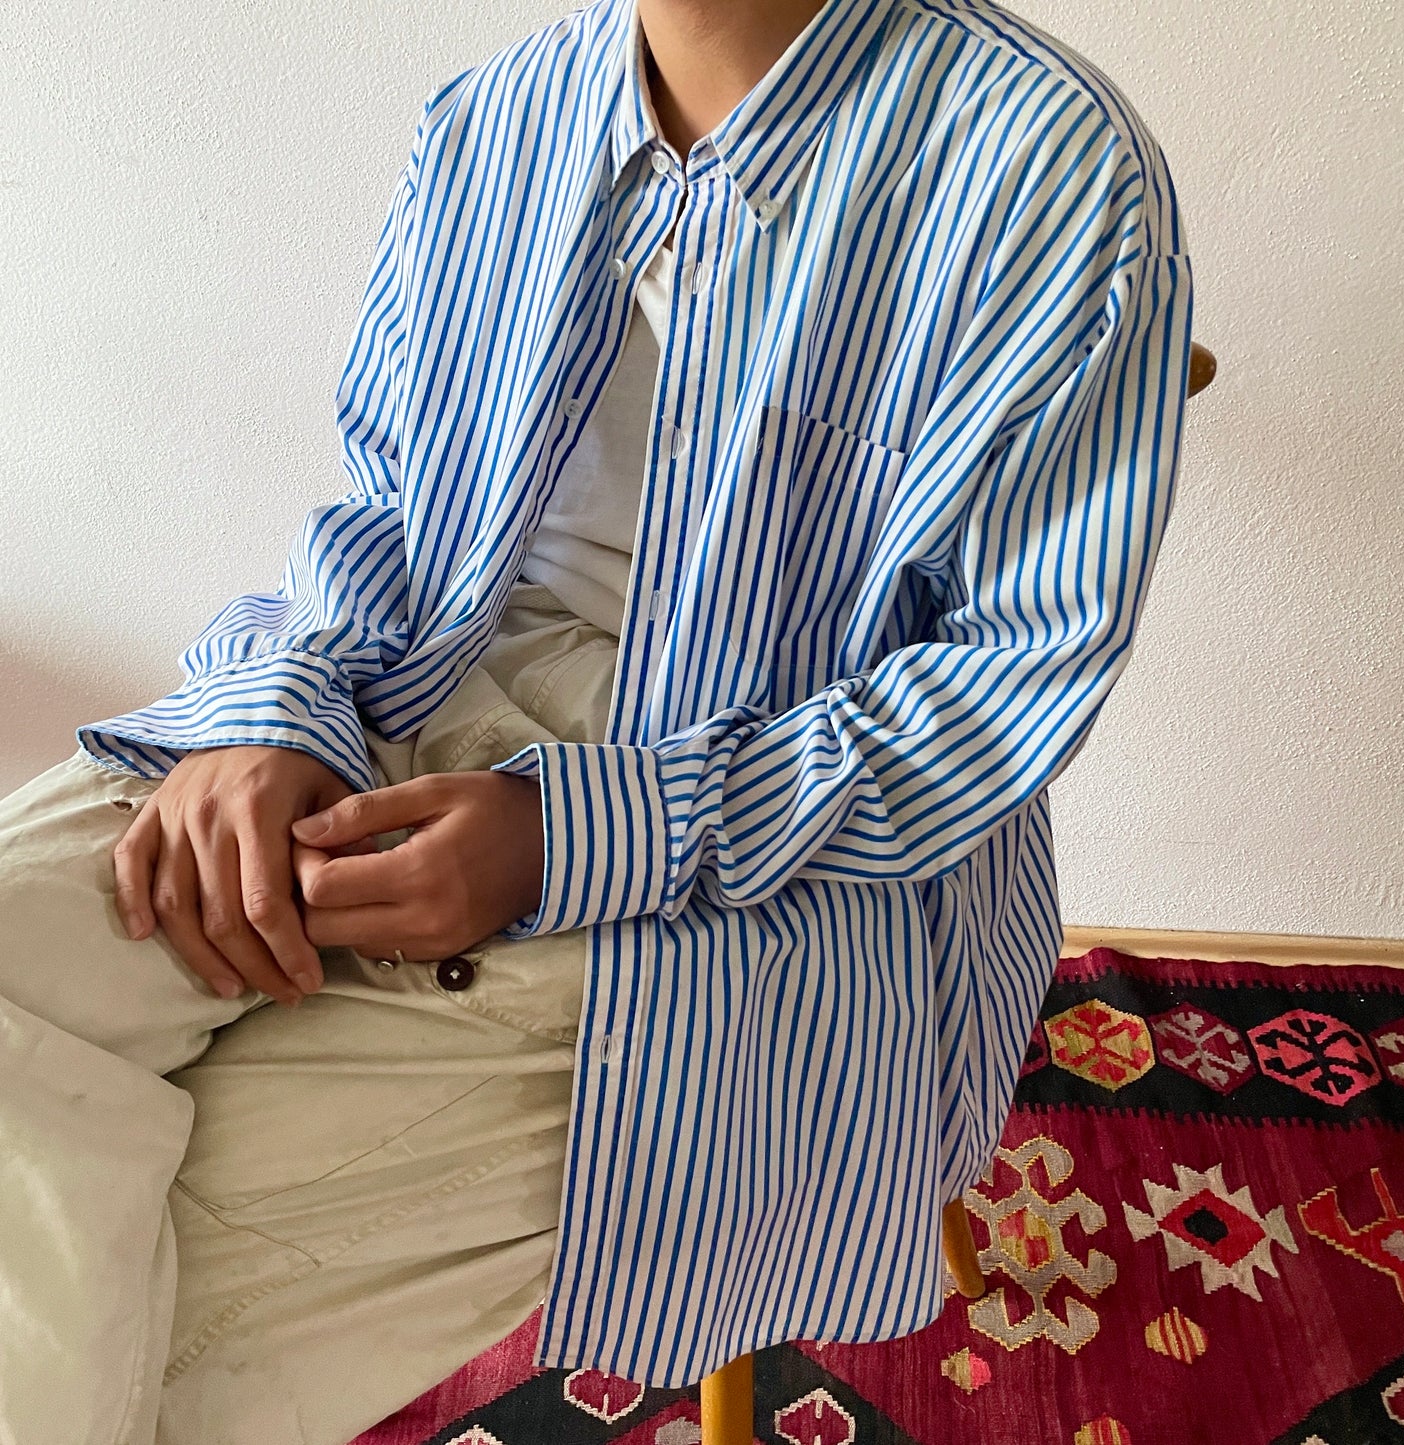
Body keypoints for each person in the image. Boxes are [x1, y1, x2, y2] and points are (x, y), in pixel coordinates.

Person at [0, 0, 1194, 1440]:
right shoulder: (490, 122)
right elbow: (390, 500)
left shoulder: (1051, 164)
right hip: (398, 692)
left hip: (757, 846)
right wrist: (274, 710)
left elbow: (1001, 686)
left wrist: (569, 837)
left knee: (116, 1311)